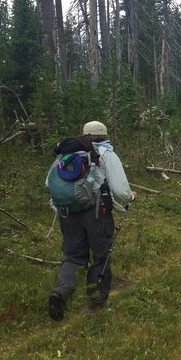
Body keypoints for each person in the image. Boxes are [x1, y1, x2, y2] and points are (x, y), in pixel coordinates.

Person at [47, 121, 137, 321]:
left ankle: (61, 292)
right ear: (104, 136)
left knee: (73, 256)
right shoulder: (105, 153)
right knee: (101, 255)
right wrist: (130, 196)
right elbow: (119, 188)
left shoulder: (66, 155)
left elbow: (49, 183)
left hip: (67, 213)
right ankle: (97, 301)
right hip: (97, 212)